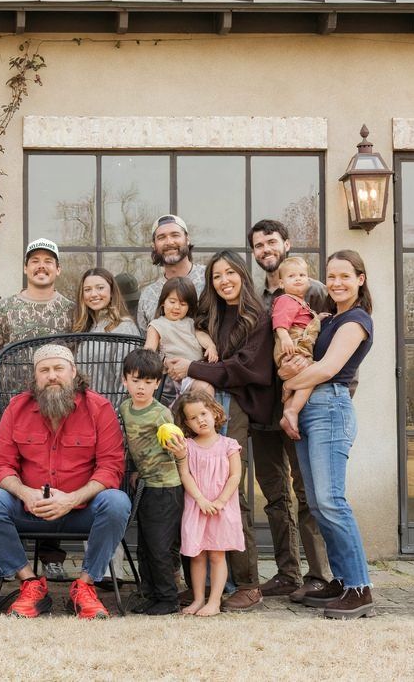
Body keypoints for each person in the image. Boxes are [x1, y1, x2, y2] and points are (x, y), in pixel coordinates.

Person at [0, 344, 131, 620]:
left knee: (117, 502)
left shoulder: (99, 408)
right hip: (30, 509)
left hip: (82, 511)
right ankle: (31, 585)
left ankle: (85, 586)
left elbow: (111, 467)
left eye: (59, 368)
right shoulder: (17, 408)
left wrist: (72, 499)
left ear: (73, 372)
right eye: (44, 370)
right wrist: (25, 494)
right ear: (35, 378)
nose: (52, 376)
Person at [163, 250, 272, 612]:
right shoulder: (211, 315)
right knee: (192, 485)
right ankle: (202, 587)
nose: (224, 280)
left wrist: (195, 368)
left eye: (230, 273)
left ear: (243, 274)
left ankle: (248, 583)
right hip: (197, 404)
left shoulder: (257, 318)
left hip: (233, 404)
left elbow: (244, 368)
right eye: (216, 276)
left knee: (230, 492)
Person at [280, 250, 376, 620]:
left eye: (344, 276)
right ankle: (341, 580)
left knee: (332, 500)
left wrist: (289, 385)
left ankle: (359, 587)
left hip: (330, 409)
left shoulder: (356, 319)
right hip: (311, 410)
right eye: (331, 277)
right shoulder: (331, 318)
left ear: (360, 279)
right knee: (318, 503)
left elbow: (329, 368)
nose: (336, 283)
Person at [248, 219, 333, 601]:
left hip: (304, 405)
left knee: (308, 493)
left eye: (271, 242)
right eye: (258, 246)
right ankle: (287, 572)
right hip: (263, 411)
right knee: (276, 496)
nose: (266, 250)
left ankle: (321, 575)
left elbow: (334, 347)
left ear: (286, 243)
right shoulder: (253, 296)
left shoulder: (312, 291)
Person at [0, 238, 74, 580]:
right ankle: (14, 561)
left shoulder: (72, 309)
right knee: (14, 477)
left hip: (58, 406)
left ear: (58, 269)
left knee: (57, 472)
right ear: (25, 268)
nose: (41, 266)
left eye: (49, 261)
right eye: (34, 260)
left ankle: (52, 556)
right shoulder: (3, 309)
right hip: (12, 408)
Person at [119, 349, 186, 616]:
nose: (141, 387)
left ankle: (169, 598)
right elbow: (132, 445)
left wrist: (178, 450)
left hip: (166, 487)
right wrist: (134, 470)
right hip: (145, 485)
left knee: (160, 546)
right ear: (125, 380)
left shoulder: (161, 415)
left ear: (157, 384)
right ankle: (149, 592)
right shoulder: (125, 408)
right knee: (145, 545)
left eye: (148, 382)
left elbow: (175, 447)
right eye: (136, 380)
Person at [175, 390, 246, 617]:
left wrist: (220, 501)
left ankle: (214, 601)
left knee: (217, 555)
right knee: (196, 555)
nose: (200, 420)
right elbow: (185, 474)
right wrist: (201, 500)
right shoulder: (187, 446)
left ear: (215, 412)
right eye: (193, 418)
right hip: (197, 506)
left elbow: (235, 476)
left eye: (203, 413)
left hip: (220, 508)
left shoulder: (228, 445)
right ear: (187, 422)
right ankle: (197, 599)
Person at [271, 257, 321, 440]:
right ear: (282, 283)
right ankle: (292, 410)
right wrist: (284, 337)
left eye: (302, 275)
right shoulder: (285, 299)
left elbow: (304, 321)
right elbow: (280, 322)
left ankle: (289, 414)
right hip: (293, 347)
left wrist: (317, 318)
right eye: (292, 276)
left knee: (299, 380)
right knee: (311, 375)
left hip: (298, 346)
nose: (298, 278)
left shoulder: (301, 303)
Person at [144, 277, 218, 394]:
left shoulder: (190, 322)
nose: (177, 307)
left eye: (183, 304)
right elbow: (149, 352)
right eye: (172, 302)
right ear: (163, 301)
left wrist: (211, 347)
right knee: (205, 388)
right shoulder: (157, 325)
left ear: (189, 306)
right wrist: (164, 362)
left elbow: (202, 336)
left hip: (197, 368)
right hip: (176, 375)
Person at [136, 215, 206, 333]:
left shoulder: (210, 278)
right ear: (154, 245)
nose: (169, 242)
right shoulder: (148, 296)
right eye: (161, 237)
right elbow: (144, 343)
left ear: (187, 239)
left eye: (175, 235)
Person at [72, 267, 140, 335]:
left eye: (100, 288)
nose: (93, 294)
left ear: (111, 291)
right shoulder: (84, 327)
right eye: (87, 290)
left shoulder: (125, 327)